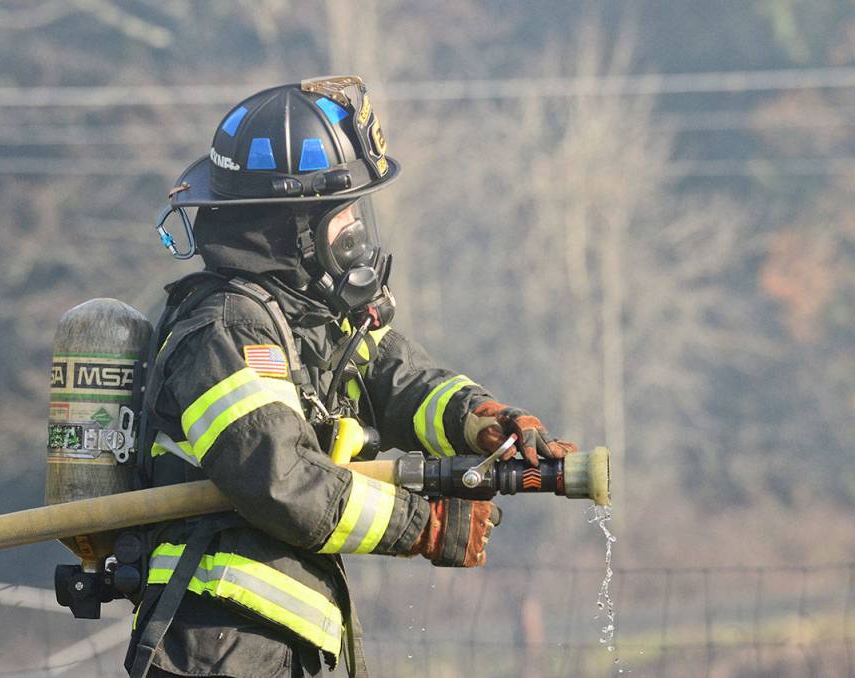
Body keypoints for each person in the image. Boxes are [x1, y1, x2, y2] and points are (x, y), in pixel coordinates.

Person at [125, 76, 575, 678]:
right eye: (343, 218)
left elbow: (397, 379)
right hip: (215, 644)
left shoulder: (303, 322)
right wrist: (425, 525)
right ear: (294, 229)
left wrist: (480, 419)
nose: (358, 238)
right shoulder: (226, 330)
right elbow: (280, 479)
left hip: (266, 644)